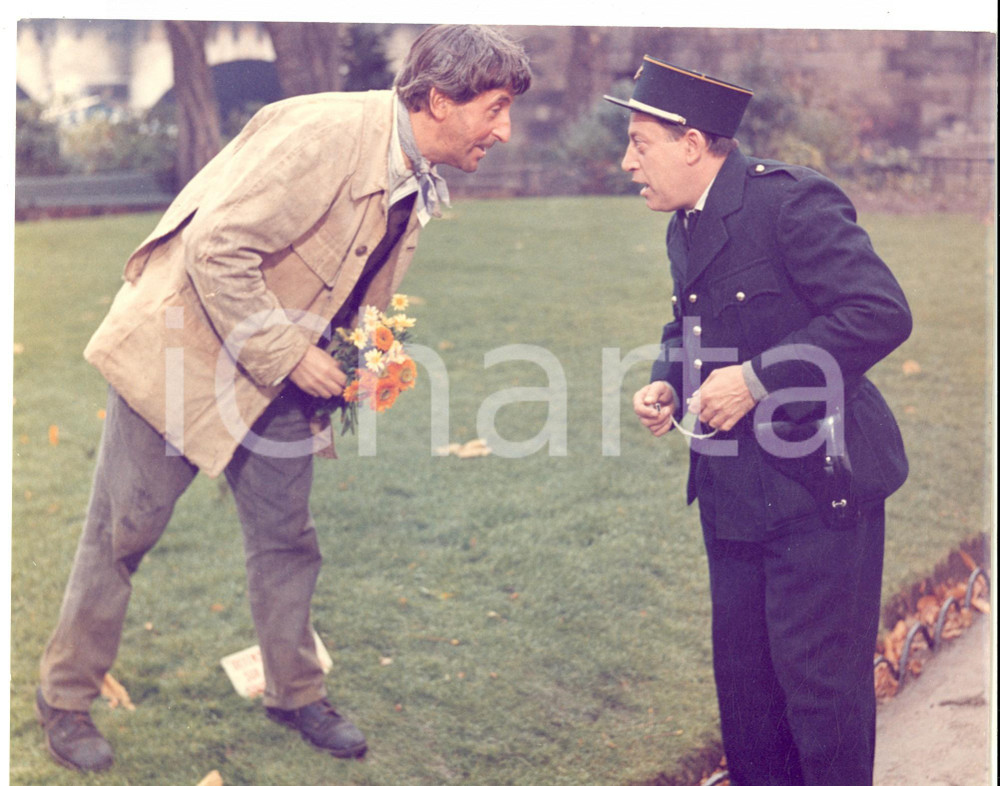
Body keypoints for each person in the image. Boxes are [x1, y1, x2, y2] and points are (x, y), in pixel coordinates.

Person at [35, 24, 531, 773]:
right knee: (120, 536)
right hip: (183, 356)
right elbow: (217, 248)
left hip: (280, 386)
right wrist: (291, 352)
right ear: (436, 100)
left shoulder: (412, 164)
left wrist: (360, 353)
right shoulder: (324, 133)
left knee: (287, 541)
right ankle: (64, 699)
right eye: (495, 108)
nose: (504, 129)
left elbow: (347, 271)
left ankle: (295, 693)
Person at [608, 57, 912, 785]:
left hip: (819, 491)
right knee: (747, 698)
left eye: (639, 143)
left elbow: (879, 313)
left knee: (820, 699)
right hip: (733, 498)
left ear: (690, 143)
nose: (626, 164)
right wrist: (667, 381)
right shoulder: (687, 221)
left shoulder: (791, 204)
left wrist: (756, 379)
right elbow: (691, 323)